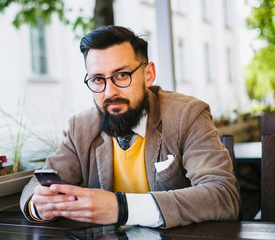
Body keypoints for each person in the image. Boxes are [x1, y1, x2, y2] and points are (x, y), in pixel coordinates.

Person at [20, 25, 240, 228]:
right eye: (97, 79)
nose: (109, 92)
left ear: (148, 75)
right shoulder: (81, 127)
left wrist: (121, 208)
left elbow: (223, 196)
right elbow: (34, 188)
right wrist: (39, 206)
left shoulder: (187, 115)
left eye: (122, 75)